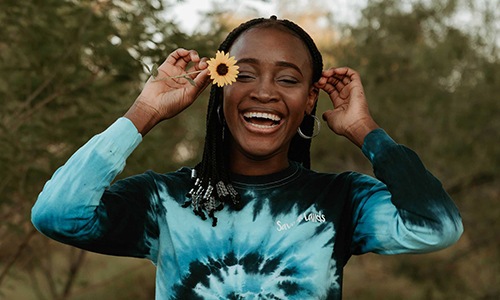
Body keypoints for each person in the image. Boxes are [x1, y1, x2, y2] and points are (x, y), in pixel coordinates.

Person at [32, 16, 463, 299]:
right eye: (246, 73)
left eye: (289, 79)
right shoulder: (166, 199)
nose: (264, 92)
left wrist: (367, 132)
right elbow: (57, 214)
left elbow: (436, 227)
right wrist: (143, 114)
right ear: (219, 87)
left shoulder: (341, 199)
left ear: (310, 99)